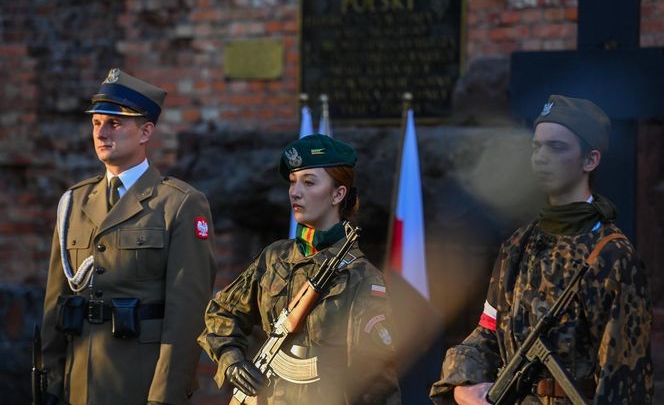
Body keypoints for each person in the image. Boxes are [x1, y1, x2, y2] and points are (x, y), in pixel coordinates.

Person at [430, 95, 653, 404]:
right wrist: (464, 384)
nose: (541, 158)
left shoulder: (612, 256)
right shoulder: (518, 245)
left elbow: (625, 381)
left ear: (590, 160)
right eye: (537, 147)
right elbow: (488, 330)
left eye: (557, 147)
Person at [41, 68, 217, 405]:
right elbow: (55, 304)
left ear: (146, 131)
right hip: (78, 383)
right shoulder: (74, 201)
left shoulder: (178, 203)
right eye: (96, 123)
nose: (101, 133)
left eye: (115, 123)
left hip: (140, 383)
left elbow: (187, 314)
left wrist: (165, 395)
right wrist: (49, 382)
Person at [198, 134, 401, 404]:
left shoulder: (361, 276)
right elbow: (222, 314)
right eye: (293, 182)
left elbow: (377, 381)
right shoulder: (274, 257)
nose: (295, 192)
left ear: (338, 194)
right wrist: (233, 361)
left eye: (309, 182)